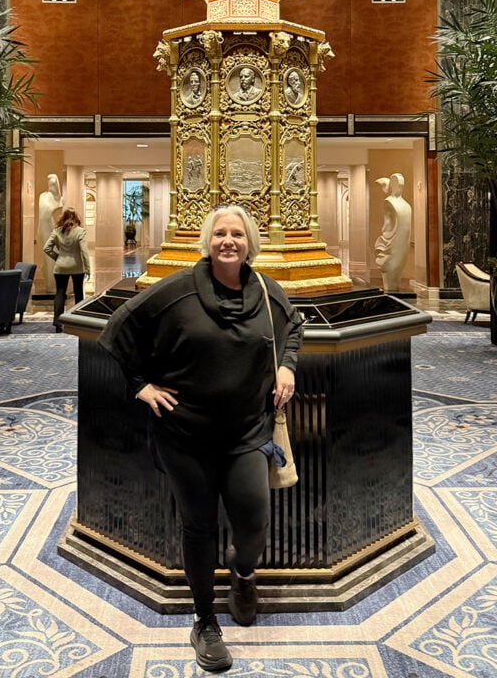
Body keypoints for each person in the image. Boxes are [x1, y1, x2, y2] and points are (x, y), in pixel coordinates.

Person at [98, 204, 303, 672]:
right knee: (199, 527)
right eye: (219, 234)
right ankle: (205, 621)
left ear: (250, 242)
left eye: (236, 234)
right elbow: (118, 329)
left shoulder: (267, 292)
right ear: (207, 242)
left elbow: (294, 328)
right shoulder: (176, 290)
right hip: (184, 434)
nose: (227, 241)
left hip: (247, 432)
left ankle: (244, 573)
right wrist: (140, 386)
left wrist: (287, 365)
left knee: (253, 521)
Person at [43, 208, 91, 331]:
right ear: (76, 218)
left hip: (60, 267)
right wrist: (87, 268)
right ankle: (78, 320)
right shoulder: (80, 232)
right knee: (78, 292)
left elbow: (46, 248)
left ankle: (57, 322)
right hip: (77, 267)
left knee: (60, 293)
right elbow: (84, 251)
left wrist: (57, 257)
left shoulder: (57, 232)